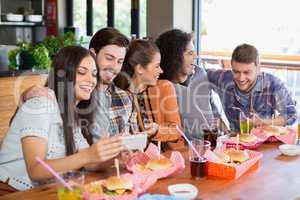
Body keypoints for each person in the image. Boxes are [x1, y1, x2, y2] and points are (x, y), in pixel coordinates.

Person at [0, 46, 124, 191]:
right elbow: (36, 170)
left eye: (94, 74)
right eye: (82, 72)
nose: (91, 80)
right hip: (12, 192)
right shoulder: (40, 105)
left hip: (44, 191)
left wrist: (116, 157)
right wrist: (88, 155)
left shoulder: (70, 113)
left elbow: (89, 162)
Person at [22, 27, 140, 139]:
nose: (114, 67)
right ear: (93, 54)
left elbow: (132, 142)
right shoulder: (78, 93)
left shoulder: (124, 98)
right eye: (109, 58)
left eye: (120, 61)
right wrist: (25, 95)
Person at [207, 43, 297, 132]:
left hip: (264, 143)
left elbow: (291, 115)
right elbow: (199, 75)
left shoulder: (273, 84)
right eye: (236, 72)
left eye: (247, 72)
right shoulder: (224, 79)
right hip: (235, 141)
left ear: (258, 68)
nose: (241, 78)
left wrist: (265, 122)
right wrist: (216, 116)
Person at [156, 29, 222, 139]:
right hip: (187, 149)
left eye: (194, 53)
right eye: (190, 53)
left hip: (213, 144)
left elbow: (213, 108)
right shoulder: (163, 87)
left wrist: (219, 129)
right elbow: (171, 130)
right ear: (174, 57)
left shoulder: (200, 73)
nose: (195, 57)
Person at [114, 39, 182, 144]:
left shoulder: (164, 87)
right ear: (140, 68)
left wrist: (157, 130)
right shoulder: (120, 97)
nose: (161, 70)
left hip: (166, 157)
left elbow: (177, 131)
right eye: (156, 66)